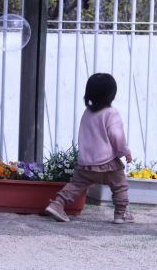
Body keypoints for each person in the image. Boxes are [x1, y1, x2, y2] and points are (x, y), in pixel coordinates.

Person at [45, 72, 133, 224]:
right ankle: (120, 213)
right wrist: (124, 151)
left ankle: (57, 204)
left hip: (86, 163)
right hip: (108, 163)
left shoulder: (87, 113)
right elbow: (117, 135)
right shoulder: (111, 113)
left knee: (76, 185)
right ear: (111, 94)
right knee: (120, 187)